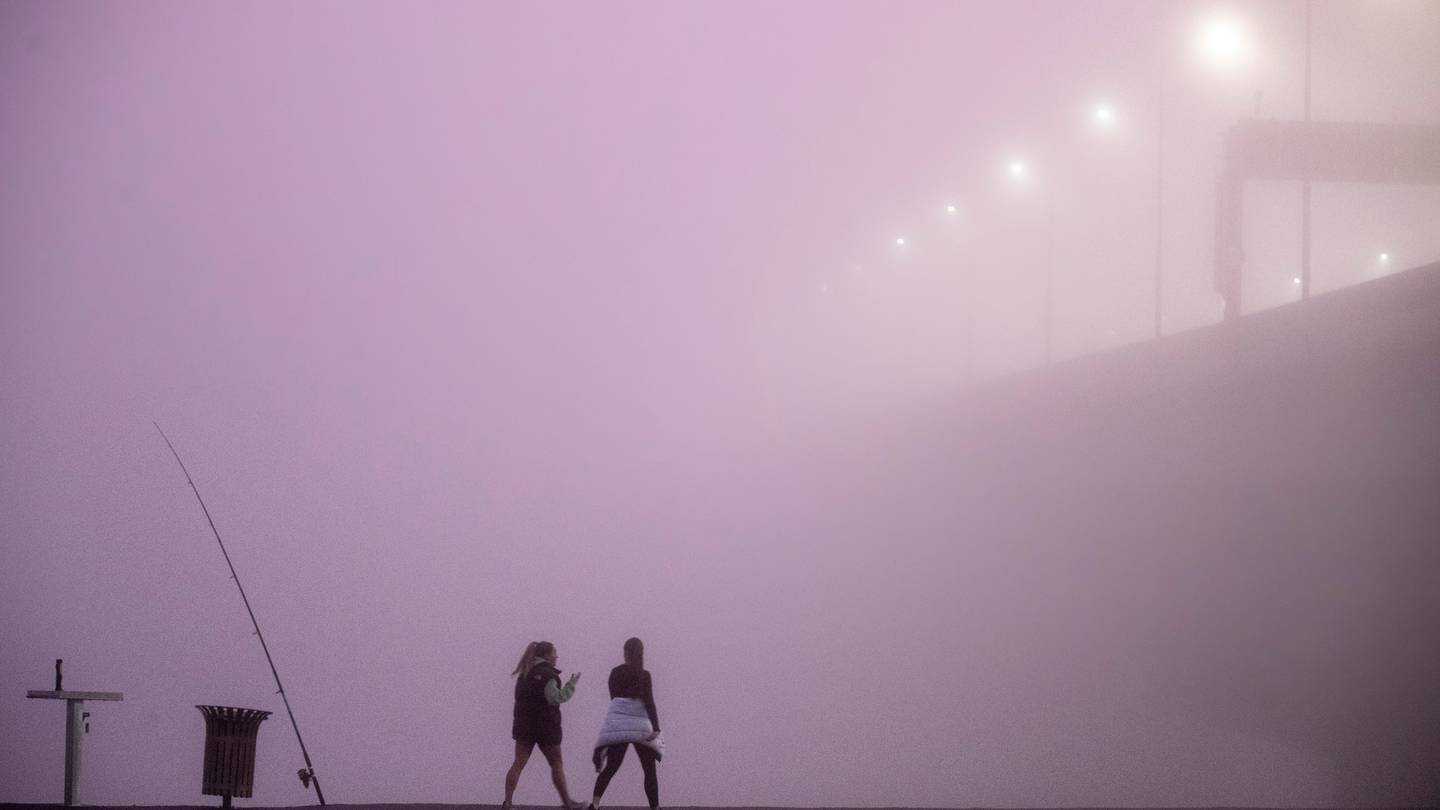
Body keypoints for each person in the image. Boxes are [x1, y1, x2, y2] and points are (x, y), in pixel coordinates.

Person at [503, 641, 584, 810]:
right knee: (556, 763)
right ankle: (567, 802)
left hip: (524, 726)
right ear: (547, 655)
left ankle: (508, 802)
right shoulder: (549, 675)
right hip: (546, 726)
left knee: (518, 762)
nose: (557, 656)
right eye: (555, 653)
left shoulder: (524, 673)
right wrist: (571, 685)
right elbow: (555, 698)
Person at [588, 637, 663, 810]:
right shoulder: (644, 675)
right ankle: (655, 807)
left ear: (625, 652)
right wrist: (656, 727)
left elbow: (614, 699)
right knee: (649, 769)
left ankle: (595, 804)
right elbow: (649, 702)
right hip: (640, 726)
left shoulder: (615, 672)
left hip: (620, 724)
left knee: (612, 767)